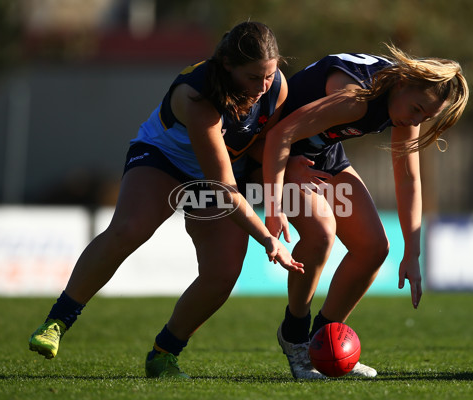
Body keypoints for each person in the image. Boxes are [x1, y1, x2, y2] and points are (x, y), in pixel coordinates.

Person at [28, 21, 304, 379]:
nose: (262, 87)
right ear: (227, 66)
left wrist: (278, 192)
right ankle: (57, 321)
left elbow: (262, 149)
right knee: (130, 229)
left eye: (269, 75)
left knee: (222, 274)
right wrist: (266, 237)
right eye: (253, 78)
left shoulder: (276, 88)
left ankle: (164, 354)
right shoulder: (198, 96)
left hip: (222, 171)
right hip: (166, 160)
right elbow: (222, 186)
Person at [263, 46, 469, 379]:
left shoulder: (403, 99)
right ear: (402, 82)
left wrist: (412, 254)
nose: (415, 121)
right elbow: (278, 135)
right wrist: (273, 205)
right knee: (320, 233)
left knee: (374, 248)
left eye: (426, 117)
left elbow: (408, 179)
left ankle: (324, 341)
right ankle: (296, 336)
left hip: (318, 156)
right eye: (417, 110)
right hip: (271, 154)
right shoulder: (356, 98)